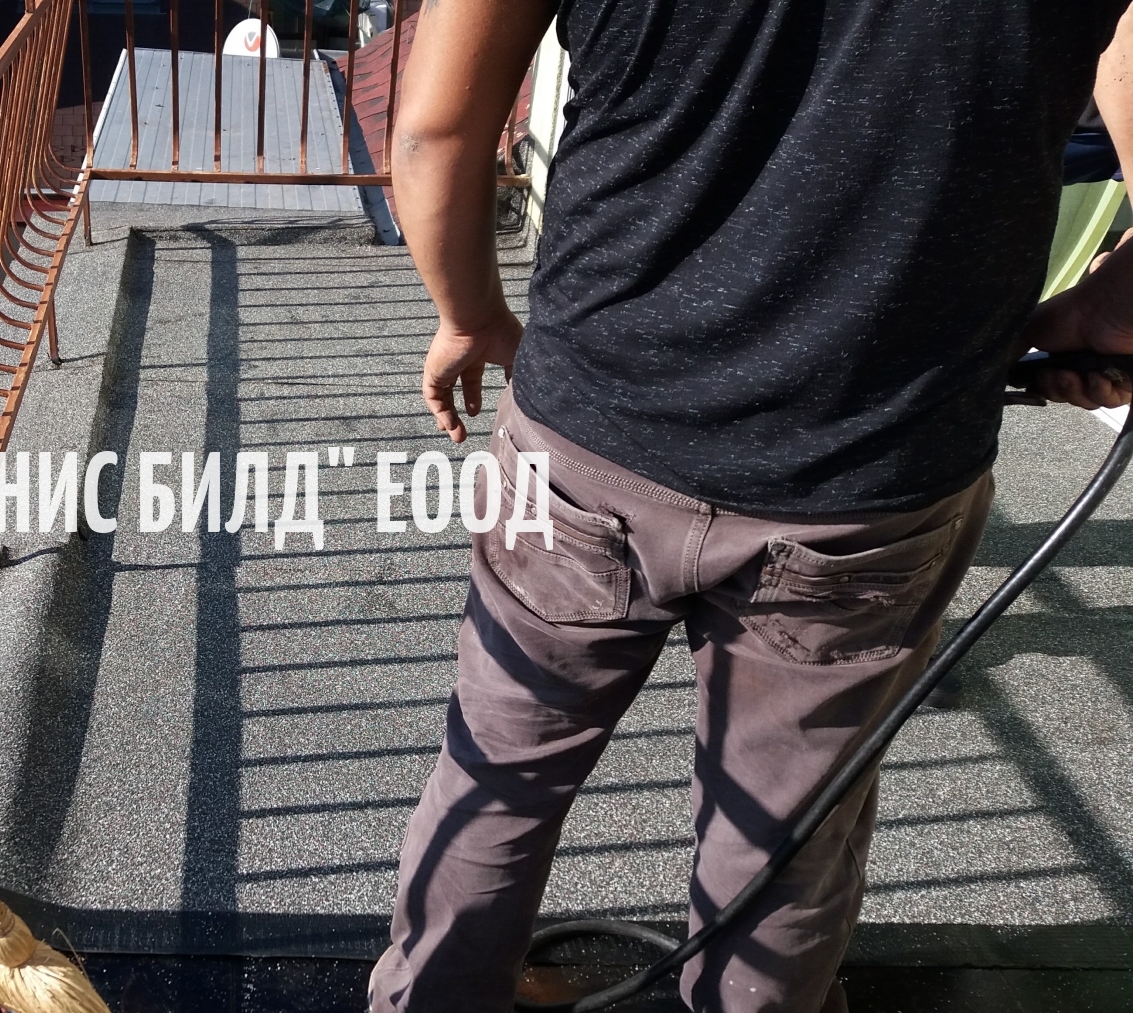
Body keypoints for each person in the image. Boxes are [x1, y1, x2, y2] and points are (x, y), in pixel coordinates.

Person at [371, 3, 1133, 1012]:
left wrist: (470, 315)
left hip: (588, 438)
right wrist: (1116, 296)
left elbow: (433, 130)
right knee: (783, 843)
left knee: (499, 771)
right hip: (868, 476)